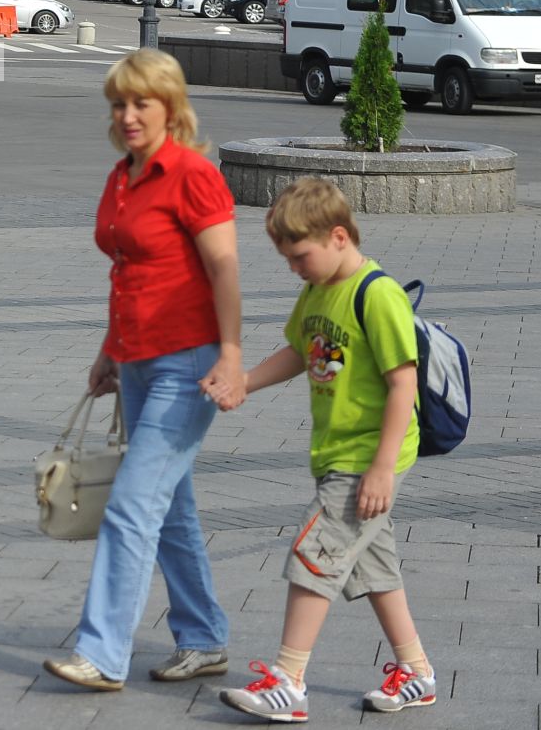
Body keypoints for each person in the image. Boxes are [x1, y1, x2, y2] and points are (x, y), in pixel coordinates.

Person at [44, 48, 245, 694]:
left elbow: (224, 270)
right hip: (136, 358)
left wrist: (233, 355)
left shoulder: (192, 174)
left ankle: (102, 653)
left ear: (171, 108)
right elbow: (127, 268)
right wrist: (110, 347)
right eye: (119, 103)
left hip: (189, 361)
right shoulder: (123, 175)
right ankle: (204, 635)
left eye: (141, 103)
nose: (128, 115)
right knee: (172, 507)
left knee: (132, 505)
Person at [219, 178, 433, 722]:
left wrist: (382, 468)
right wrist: (246, 381)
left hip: (366, 457)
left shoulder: (376, 293)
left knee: (314, 558)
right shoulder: (318, 289)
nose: (295, 268)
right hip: (337, 453)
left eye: (300, 256)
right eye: (288, 259)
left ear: (338, 236)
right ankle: (417, 672)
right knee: (373, 569)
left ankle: (288, 682)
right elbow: (300, 349)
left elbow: (403, 384)